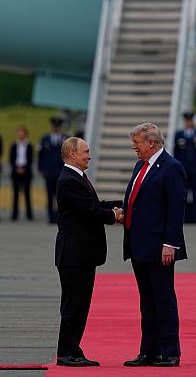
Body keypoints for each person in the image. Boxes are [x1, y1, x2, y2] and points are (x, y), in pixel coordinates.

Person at [122, 123, 188, 368]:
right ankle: (148, 351)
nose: (134, 147)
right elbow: (136, 200)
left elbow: (176, 209)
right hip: (139, 245)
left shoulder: (171, 168)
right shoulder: (141, 165)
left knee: (164, 300)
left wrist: (170, 244)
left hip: (160, 248)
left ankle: (170, 352)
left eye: (137, 143)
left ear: (151, 143)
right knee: (147, 301)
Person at [54, 137, 124, 367]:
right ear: (72, 154)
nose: (89, 156)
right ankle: (66, 352)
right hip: (74, 255)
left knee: (80, 304)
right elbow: (89, 211)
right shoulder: (68, 180)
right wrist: (114, 215)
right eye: (86, 152)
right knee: (74, 305)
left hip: (82, 254)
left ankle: (73, 348)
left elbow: (95, 203)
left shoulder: (77, 177)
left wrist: (123, 204)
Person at [173, 111, 196, 224]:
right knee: (184, 194)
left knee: (195, 193)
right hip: (183, 169)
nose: (188, 123)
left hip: (194, 168)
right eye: (187, 121)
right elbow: (176, 152)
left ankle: (194, 217)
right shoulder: (179, 135)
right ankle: (184, 217)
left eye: (190, 121)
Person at [38, 116, 68, 223]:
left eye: (58, 126)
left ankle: (60, 216)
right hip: (49, 171)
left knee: (61, 195)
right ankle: (50, 216)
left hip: (61, 171)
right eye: (55, 126)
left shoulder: (65, 138)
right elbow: (41, 155)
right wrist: (41, 168)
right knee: (49, 194)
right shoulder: (45, 139)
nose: (56, 128)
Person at [10, 126, 34, 221]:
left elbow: (30, 159)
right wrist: (17, 168)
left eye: (22, 134)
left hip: (26, 171)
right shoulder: (14, 145)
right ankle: (14, 215)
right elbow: (11, 158)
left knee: (27, 194)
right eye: (19, 134)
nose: (21, 136)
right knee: (15, 194)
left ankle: (29, 215)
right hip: (16, 171)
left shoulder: (29, 146)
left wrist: (24, 168)